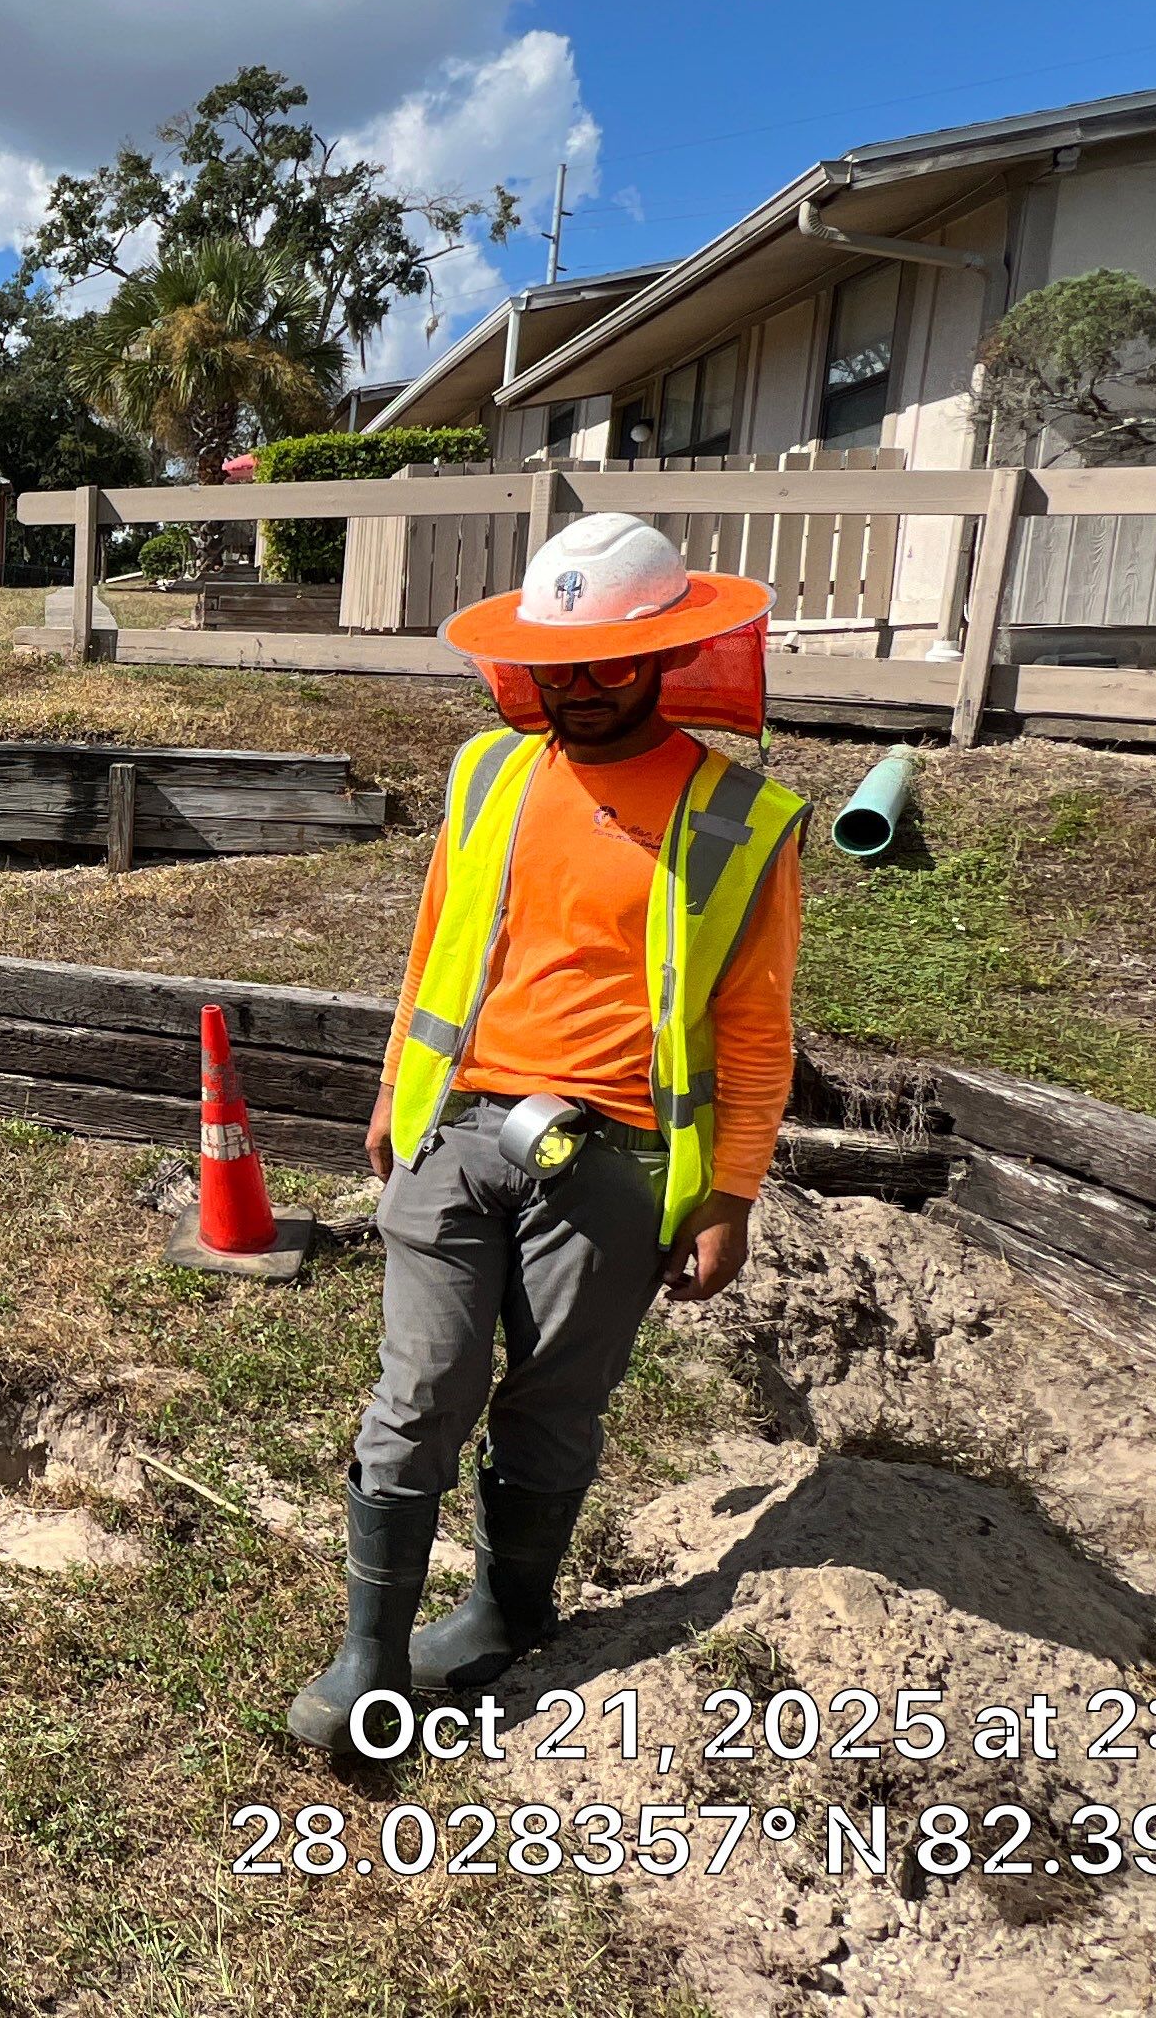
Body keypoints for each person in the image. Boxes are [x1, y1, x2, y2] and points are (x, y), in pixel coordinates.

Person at [291, 511, 809, 1753]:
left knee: (555, 1404)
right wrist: (393, 1087)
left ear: (667, 653)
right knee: (422, 1389)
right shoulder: (490, 774)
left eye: (606, 665)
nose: (577, 689)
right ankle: (371, 1657)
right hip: (463, 1130)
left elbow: (754, 1030)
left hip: (615, 1161)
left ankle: (505, 1611)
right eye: (556, 665)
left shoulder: (741, 819)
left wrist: (730, 1196)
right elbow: (438, 944)